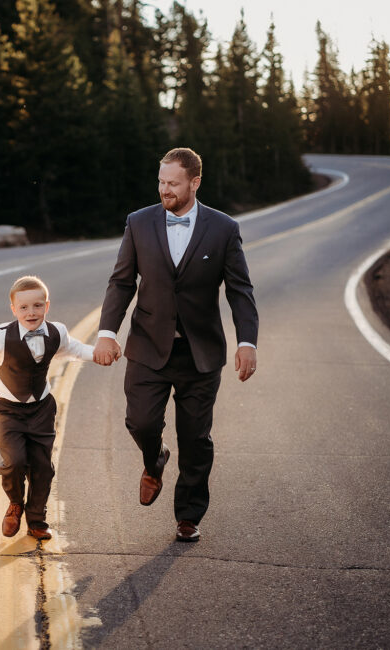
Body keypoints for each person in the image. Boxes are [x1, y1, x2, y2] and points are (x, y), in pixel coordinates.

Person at [93, 147, 258, 543]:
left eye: (173, 183)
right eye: (161, 182)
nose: (165, 189)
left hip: (201, 354)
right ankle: (155, 460)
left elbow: (240, 290)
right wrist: (106, 333)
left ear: (195, 182)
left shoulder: (223, 229)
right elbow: (121, 282)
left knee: (196, 438)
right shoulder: (139, 222)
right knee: (141, 422)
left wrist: (247, 341)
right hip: (148, 347)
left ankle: (188, 515)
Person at [0, 275, 97, 540]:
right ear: (14, 309)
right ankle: (15, 503)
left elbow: (74, 349)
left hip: (41, 409)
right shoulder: (0, 336)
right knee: (15, 460)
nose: (31, 312)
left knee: (43, 466)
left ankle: (37, 519)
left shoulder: (56, 332)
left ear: (46, 306)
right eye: (24, 307)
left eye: (37, 306)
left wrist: (98, 352)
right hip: (7, 410)